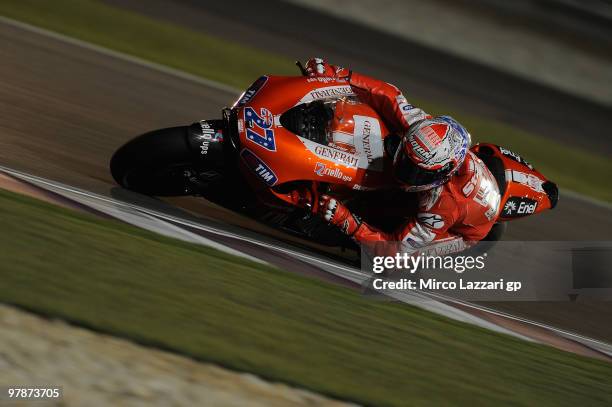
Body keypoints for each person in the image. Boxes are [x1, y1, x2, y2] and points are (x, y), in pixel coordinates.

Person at [303, 57, 502, 255]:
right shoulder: (421, 125)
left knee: (392, 262)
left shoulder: (443, 206)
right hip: (460, 183)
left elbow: (395, 253)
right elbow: (388, 94)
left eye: (418, 173)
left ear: (442, 174)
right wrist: (336, 73)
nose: (406, 173)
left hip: (466, 231)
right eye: (407, 161)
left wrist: (346, 221)